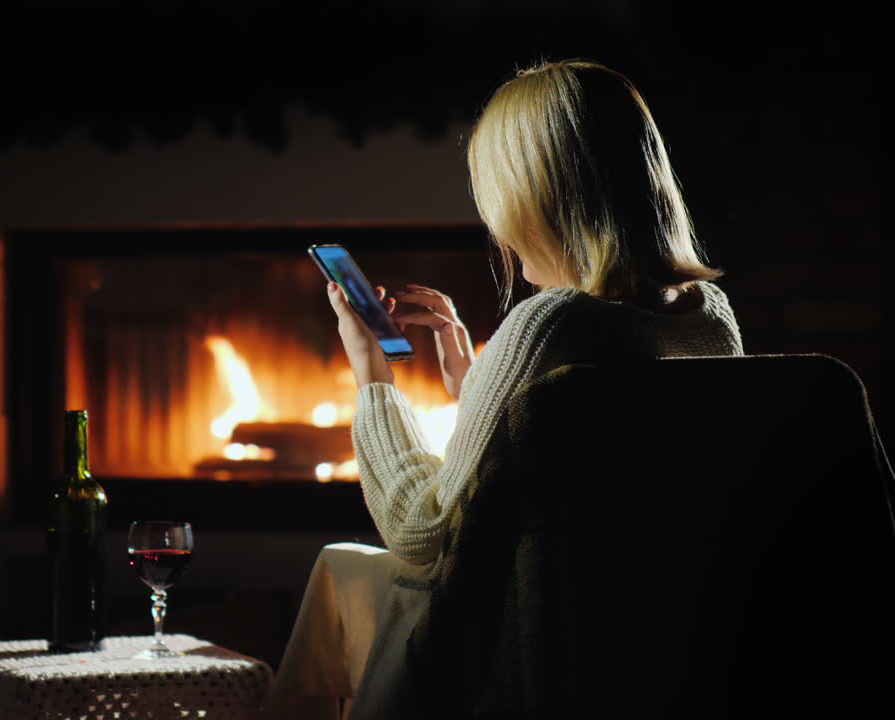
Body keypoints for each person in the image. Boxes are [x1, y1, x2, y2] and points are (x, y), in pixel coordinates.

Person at [265, 58, 744, 718]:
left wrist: (373, 378)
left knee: (351, 570)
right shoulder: (711, 316)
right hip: (662, 651)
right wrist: (479, 385)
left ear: (530, 193)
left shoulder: (549, 322)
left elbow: (421, 531)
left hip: (525, 667)